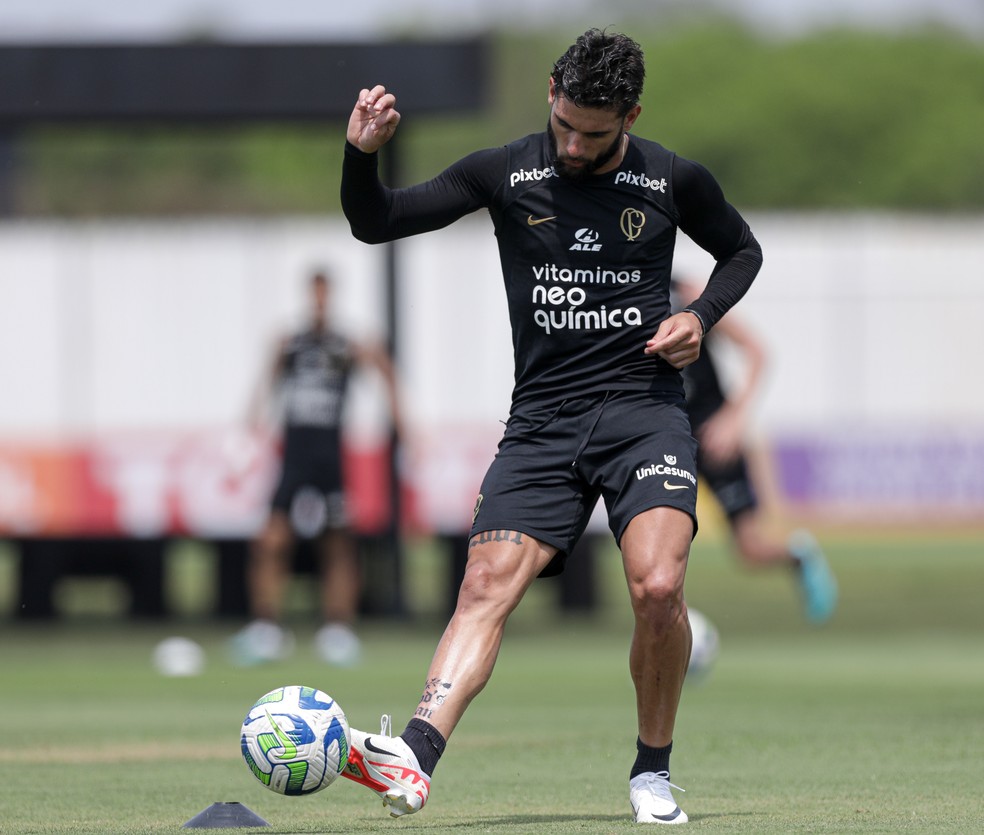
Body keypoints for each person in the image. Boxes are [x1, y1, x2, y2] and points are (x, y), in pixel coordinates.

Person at [339, 29, 763, 825]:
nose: (572, 145)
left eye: (593, 134)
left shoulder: (670, 178)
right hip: (542, 421)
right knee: (484, 583)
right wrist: (362, 155)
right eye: (564, 123)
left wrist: (701, 316)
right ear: (549, 93)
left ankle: (652, 771)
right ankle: (415, 757)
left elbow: (742, 250)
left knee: (658, 586)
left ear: (630, 116)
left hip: (644, 414)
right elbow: (377, 221)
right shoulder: (503, 172)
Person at [230, 269, 401, 668]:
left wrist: (405, 427)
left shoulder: (345, 346)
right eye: (315, 294)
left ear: (331, 296)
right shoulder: (291, 344)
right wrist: (246, 435)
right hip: (293, 458)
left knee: (338, 544)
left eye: (325, 294)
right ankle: (266, 630)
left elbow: (385, 374)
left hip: (329, 459)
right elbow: (265, 388)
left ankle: (338, 631)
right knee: (271, 541)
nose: (320, 301)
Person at [672, 275, 838, 624]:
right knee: (663, 542)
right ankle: (666, 621)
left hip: (712, 437)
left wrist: (733, 418)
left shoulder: (684, 292)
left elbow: (757, 351)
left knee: (750, 549)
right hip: (663, 436)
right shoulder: (611, 291)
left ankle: (798, 556)